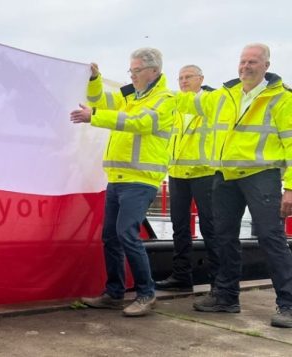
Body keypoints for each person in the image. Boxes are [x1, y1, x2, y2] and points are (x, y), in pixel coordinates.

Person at [178, 44, 292, 328]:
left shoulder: (281, 98)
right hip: (225, 176)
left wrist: (290, 187)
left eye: (253, 61)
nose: (246, 66)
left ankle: (288, 304)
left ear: (266, 65)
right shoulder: (223, 96)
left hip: (261, 175)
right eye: (242, 61)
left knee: (270, 237)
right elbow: (181, 103)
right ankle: (226, 297)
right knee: (223, 237)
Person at [70, 48, 175, 317]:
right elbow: (99, 100)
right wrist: (94, 79)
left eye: (136, 71)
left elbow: (139, 123)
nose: (133, 75)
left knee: (127, 233)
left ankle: (147, 294)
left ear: (154, 71)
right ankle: (114, 293)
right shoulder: (130, 97)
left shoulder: (165, 101)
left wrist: (93, 116)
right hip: (118, 179)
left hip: (140, 179)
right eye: (131, 71)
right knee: (111, 237)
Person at [156, 65, 218, 292]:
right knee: (179, 227)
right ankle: (181, 276)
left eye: (188, 77)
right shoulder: (176, 107)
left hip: (205, 173)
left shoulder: (212, 102)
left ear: (201, 78)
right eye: (180, 77)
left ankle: (218, 282)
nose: (183, 81)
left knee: (211, 228)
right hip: (177, 173)